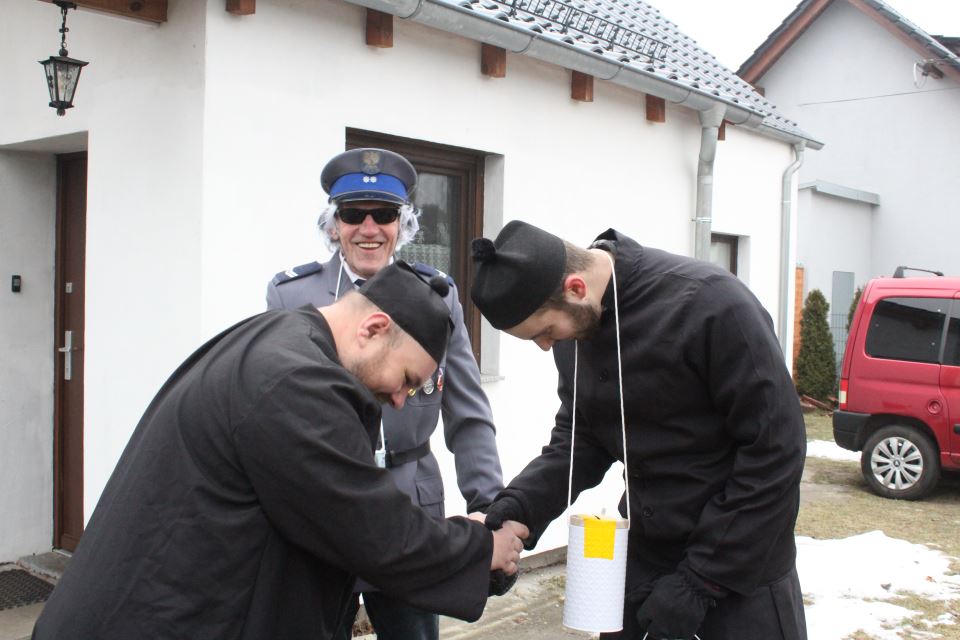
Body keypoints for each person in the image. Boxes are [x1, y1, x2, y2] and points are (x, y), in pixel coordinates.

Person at [32, 262, 528, 640]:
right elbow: (371, 528)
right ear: (374, 328)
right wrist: (483, 548)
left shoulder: (274, 340)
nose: (401, 400)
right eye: (406, 379)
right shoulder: (297, 383)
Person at [470, 220, 808, 640]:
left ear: (576, 288)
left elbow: (776, 453)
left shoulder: (713, 305)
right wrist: (518, 507)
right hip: (646, 567)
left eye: (545, 332)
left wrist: (701, 581)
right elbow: (581, 440)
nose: (546, 346)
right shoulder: (577, 328)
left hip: (740, 574)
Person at [266, 148, 504, 640]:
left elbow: (467, 410)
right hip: (321, 507)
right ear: (334, 224)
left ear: (403, 223)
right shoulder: (292, 295)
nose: (369, 229)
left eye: (385, 214)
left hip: (408, 505)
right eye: (354, 214)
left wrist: (489, 504)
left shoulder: (437, 294)